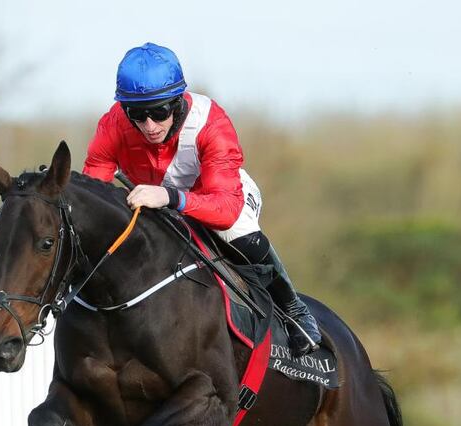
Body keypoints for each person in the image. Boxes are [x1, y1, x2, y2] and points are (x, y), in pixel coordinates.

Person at [83, 42, 321, 357]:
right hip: (150, 199)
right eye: (137, 115)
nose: (149, 126)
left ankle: (293, 310)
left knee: (238, 232)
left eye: (159, 112)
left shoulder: (211, 123)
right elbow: (93, 188)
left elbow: (225, 209)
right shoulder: (113, 123)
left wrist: (169, 197)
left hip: (220, 198)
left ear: (177, 102)